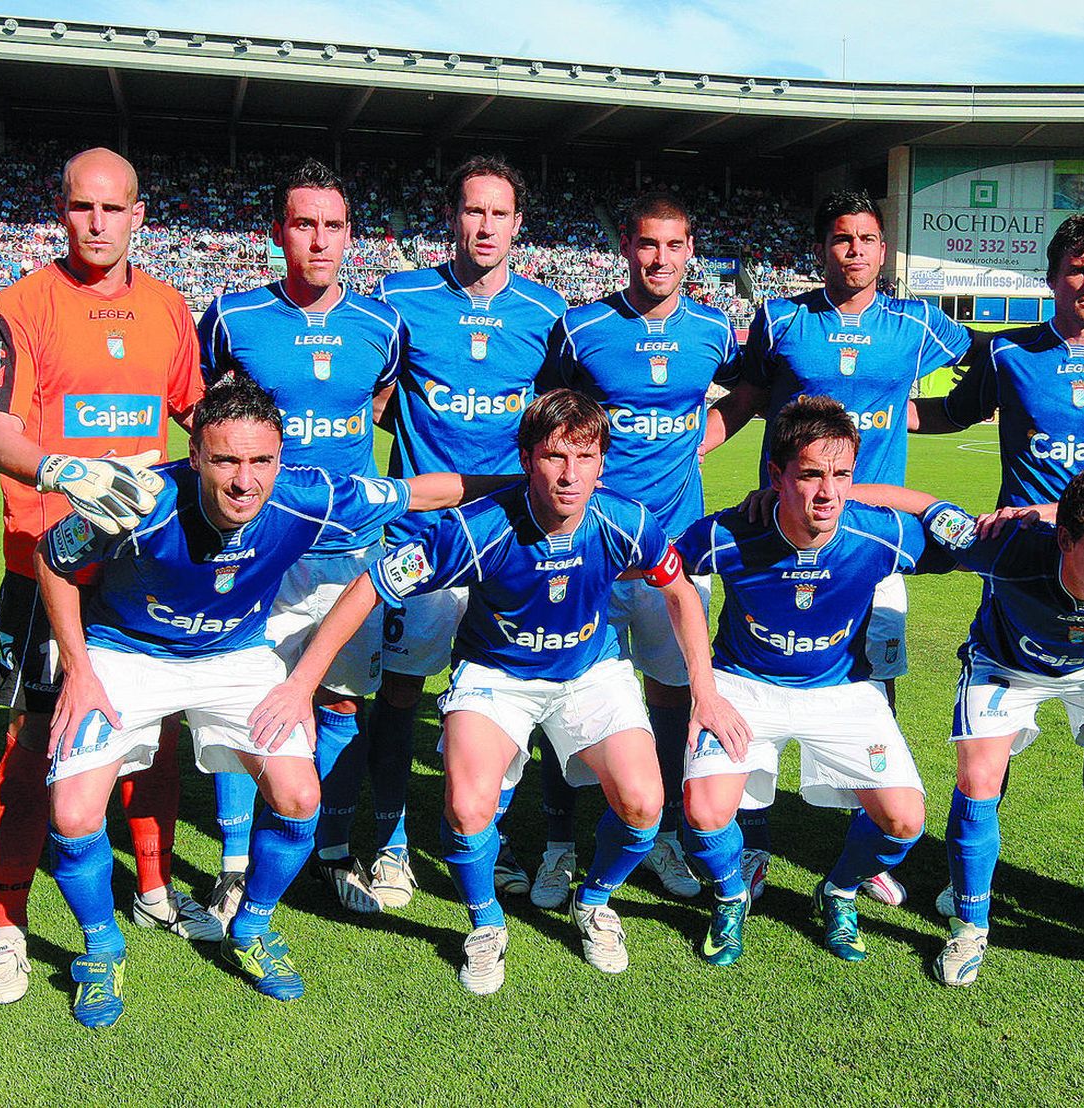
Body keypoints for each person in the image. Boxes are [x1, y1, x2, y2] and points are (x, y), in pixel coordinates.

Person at [255, 389, 749, 995]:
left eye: (584, 457)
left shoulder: (626, 522)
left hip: (589, 674)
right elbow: (370, 587)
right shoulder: (476, 528)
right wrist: (303, 684)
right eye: (553, 456)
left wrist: (704, 689)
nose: (569, 475)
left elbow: (677, 592)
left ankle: (592, 901)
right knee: (467, 808)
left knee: (646, 804)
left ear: (603, 464)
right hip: (496, 678)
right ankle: (486, 922)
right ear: (525, 457)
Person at [31, 374, 473, 1027]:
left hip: (234, 657)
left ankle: (253, 925)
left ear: (281, 457)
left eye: (261, 461)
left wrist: (531, 490)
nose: (245, 480)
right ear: (195, 453)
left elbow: (419, 492)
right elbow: (52, 556)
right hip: (127, 653)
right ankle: (101, 950)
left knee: (299, 798)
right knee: (71, 814)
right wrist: (80, 670)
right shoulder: (143, 498)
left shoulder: (307, 497)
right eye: (227, 461)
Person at [0, 147, 215, 1005]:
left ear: (138, 215)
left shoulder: (169, 307)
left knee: (161, 734)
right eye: (82, 208)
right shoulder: (20, 305)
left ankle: (151, 888)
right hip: (48, 570)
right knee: (37, 744)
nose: (98, 224)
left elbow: (200, 413)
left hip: (145, 569)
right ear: (61, 211)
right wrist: (65, 472)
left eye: (114, 209)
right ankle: (5, 926)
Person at [911, 211, 1084, 927]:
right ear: (1051, 277)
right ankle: (964, 879)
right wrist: (873, 411)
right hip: (1025, 572)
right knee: (987, 743)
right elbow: (947, 413)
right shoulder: (1010, 355)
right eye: (1075, 269)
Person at [701, 189, 974, 905]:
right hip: (781, 531)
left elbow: (987, 377)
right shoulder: (782, 317)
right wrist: (694, 451)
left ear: (884, 250)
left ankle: (868, 844)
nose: (854, 250)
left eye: (867, 238)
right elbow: (748, 396)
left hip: (873, 543)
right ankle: (754, 841)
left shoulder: (917, 323)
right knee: (758, 672)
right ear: (823, 249)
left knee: (872, 683)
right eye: (842, 238)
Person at [863, 468, 1084, 988]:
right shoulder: (1004, 547)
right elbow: (921, 500)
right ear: (1064, 539)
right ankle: (969, 924)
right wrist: (806, 495)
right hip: (1008, 666)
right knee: (980, 778)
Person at [679, 396, 958, 966]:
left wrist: (928, 505)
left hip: (843, 690)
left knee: (904, 822)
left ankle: (840, 890)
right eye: (809, 475)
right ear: (776, 476)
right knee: (705, 814)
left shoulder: (880, 537)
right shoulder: (729, 534)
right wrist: (704, 691)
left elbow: (974, 540)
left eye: (841, 475)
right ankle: (732, 896)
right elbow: (672, 576)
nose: (828, 491)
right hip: (744, 685)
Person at [197, 159, 404, 921]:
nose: (319, 239)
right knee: (245, 705)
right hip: (258, 552)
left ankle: (330, 853)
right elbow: (202, 406)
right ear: (278, 231)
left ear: (350, 236)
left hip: (350, 553)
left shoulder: (382, 326)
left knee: (342, 708)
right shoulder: (232, 316)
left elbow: (377, 400)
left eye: (333, 226)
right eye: (303, 223)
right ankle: (233, 864)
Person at [531, 192, 741, 906]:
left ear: (691, 251)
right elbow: (552, 415)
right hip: (588, 546)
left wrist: (698, 442)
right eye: (647, 244)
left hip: (675, 547)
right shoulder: (583, 327)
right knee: (563, 686)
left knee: (675, 693)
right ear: (627, 246)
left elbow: (744, 395)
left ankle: (669, 836)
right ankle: (560, 843)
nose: (660, 258)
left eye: (673, 245)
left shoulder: (713, 329)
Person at [370, 155, 566, 904]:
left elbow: (555, 418)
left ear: (519, 226)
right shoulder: (400, 297)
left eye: (499, 214)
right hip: (421, 536)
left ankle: (493, 840)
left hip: (512, 536)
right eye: (472, 212)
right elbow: (380, 394)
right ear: (452, 218)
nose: (485, 226)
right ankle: (390, 843)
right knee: (401, 690)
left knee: (509, 692)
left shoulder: (546, 314)